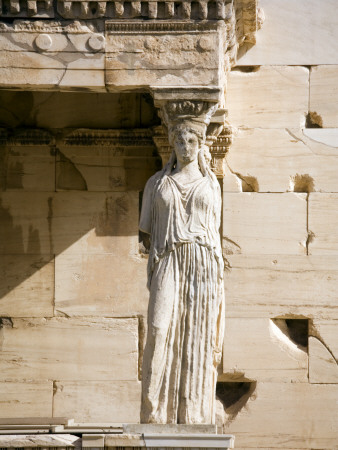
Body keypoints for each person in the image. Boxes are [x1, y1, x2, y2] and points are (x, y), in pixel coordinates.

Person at [140, 118, 224, 424]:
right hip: (167, 259)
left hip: (202, 261)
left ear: (201, 145)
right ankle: (154, 413)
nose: (186, 148)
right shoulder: (157, 184)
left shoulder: (211, 184)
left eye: (192, 142)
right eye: (180, 142)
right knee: (159, 328)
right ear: (172, 145)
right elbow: (145, 235)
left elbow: (213, 232)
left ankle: (192, 415)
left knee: (196, 333)